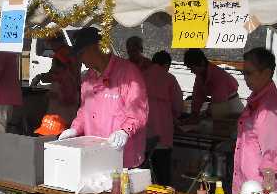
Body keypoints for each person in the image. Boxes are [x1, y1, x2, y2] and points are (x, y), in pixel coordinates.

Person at [59, 27, 148, 168]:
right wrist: (75, 129)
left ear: (97, 48)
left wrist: (125, 131)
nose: (80, 58)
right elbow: (84, 110)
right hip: (95, 154)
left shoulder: (128, 72)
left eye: (81, 53)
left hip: (123, 158)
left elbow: (138, 110)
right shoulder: (88, 77)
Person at [232, 47, 277, 194]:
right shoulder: (258, 101)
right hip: (250, 187)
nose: (245, 78)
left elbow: (275, 152)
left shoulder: (271, 108)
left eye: (249, 73)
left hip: (260, 191)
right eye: (244, 73)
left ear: (267, 73)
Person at [126, 37, 182, 184]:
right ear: (166, 65)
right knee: (163, 174)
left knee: (142, 174)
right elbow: (178, 107)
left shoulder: (139, 77)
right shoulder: (169, 78)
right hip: (163, 133)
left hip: (141, 133)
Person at [183, 48, 242, 123]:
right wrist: (194, 113)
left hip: (232, 106)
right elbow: (197, 95)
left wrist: (203, 115)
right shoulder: (200, 75)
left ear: (201, 63)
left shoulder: (218, 76)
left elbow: (218, 101)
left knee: (228, 130)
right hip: (219, 105)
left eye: (193, 68)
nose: (192, 71)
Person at [31, 49, 80, 125]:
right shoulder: (62, 77)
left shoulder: (65, 79)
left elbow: (68, 99)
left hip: (62, 118)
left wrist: (53, 95)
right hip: (58, 116)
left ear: (60, 66)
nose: (52, 67)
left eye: (53, 64)